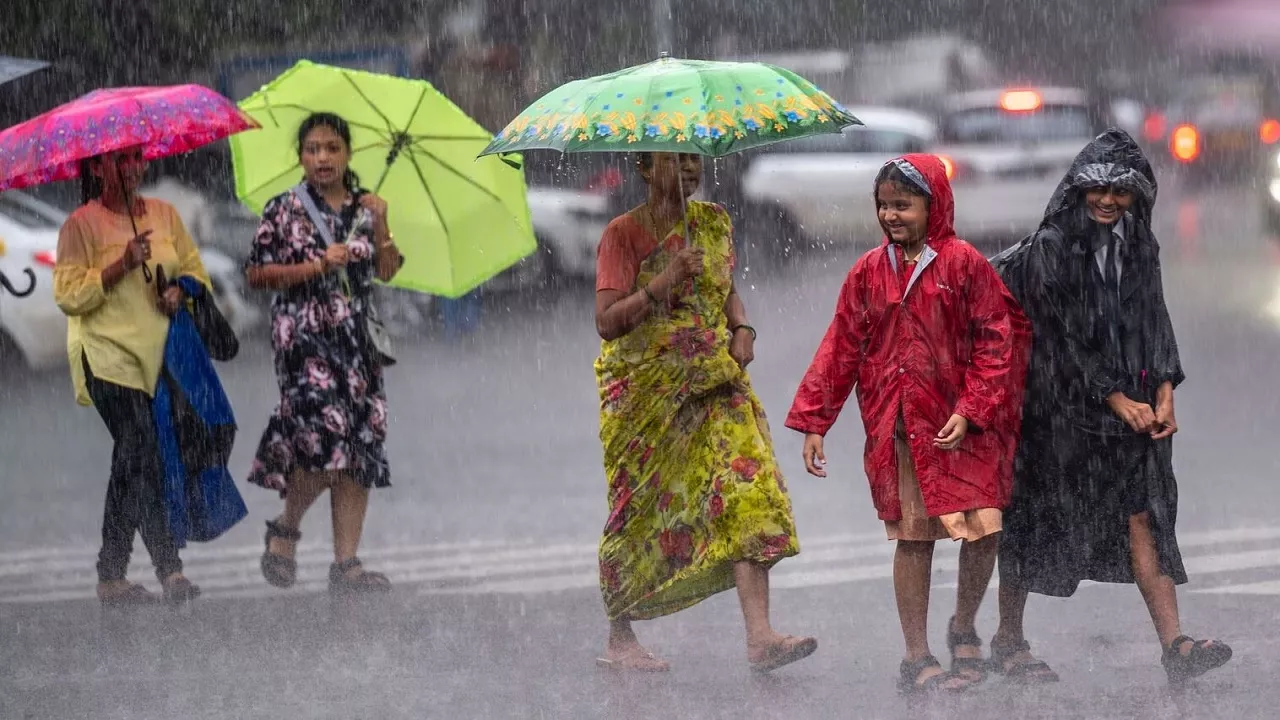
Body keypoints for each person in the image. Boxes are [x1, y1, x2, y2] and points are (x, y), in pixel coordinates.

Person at [991, 129, 1232, 684]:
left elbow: (1154, 317)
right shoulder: (1052, 248)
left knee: (1144, 515)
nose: (1107, 201)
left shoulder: (1139, 243)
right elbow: (1059, 337)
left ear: (1137, 198)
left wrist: (1166, 386)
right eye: (1096, 189)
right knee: (1034, 519)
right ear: (1077, 189)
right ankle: (1008, 639)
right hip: (1057, 412)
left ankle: (1176, 646)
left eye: (1120, 192)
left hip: (1130, 407)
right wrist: (1115, 397)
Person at [786, 154, 1030, 694]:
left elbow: (997, 341)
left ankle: (964, 624)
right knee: (914, 539)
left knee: (984, 531)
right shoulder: (869, 272)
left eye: (904, 204)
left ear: (934, 204)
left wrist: (972, 409)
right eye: (884, 205)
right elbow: (841, 348)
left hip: (967, 428)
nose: (892, 215)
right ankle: (916, 656)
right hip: (904, 431)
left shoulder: (964, 264)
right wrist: (815, 421)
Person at [593, 151, 816, 673]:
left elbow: (727, 293)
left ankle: (760, 637)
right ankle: (620, 636)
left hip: (715, 379)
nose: (690, 168)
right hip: (648, 393)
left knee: (747, 489)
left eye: (695, 158)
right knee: (642, 507)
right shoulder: (622, 234)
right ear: (645, 168)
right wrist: (662, 281)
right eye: (676, 159)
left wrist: (742, 328)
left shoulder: (714, 222)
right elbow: (606, 322)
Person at [246, 112, 404, 593]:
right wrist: (316, 265)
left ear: (347, 154)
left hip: (357, 342)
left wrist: (382, 223)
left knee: (358, 448)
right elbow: (256, 273)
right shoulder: (283, 209)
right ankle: (286, 527)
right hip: (304, 339)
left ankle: (346, 563)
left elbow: (389, 269)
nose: (323, 158)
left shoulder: (365, 205)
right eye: (313, 149)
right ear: (301, 156)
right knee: (320, 440)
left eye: (332, 148)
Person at [53, 146, 210, 606]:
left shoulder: (163, 214)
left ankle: (112, 576)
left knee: (135, 459)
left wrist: (180, 291)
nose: (130, 167)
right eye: (118, 160)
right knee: (140, 448)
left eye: (136, 157)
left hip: (155, 357)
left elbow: (196, 271)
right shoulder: (80, 225)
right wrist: (120, 264)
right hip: (104, 357)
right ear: (97, 167)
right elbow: (68, 296)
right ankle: (169, 569)